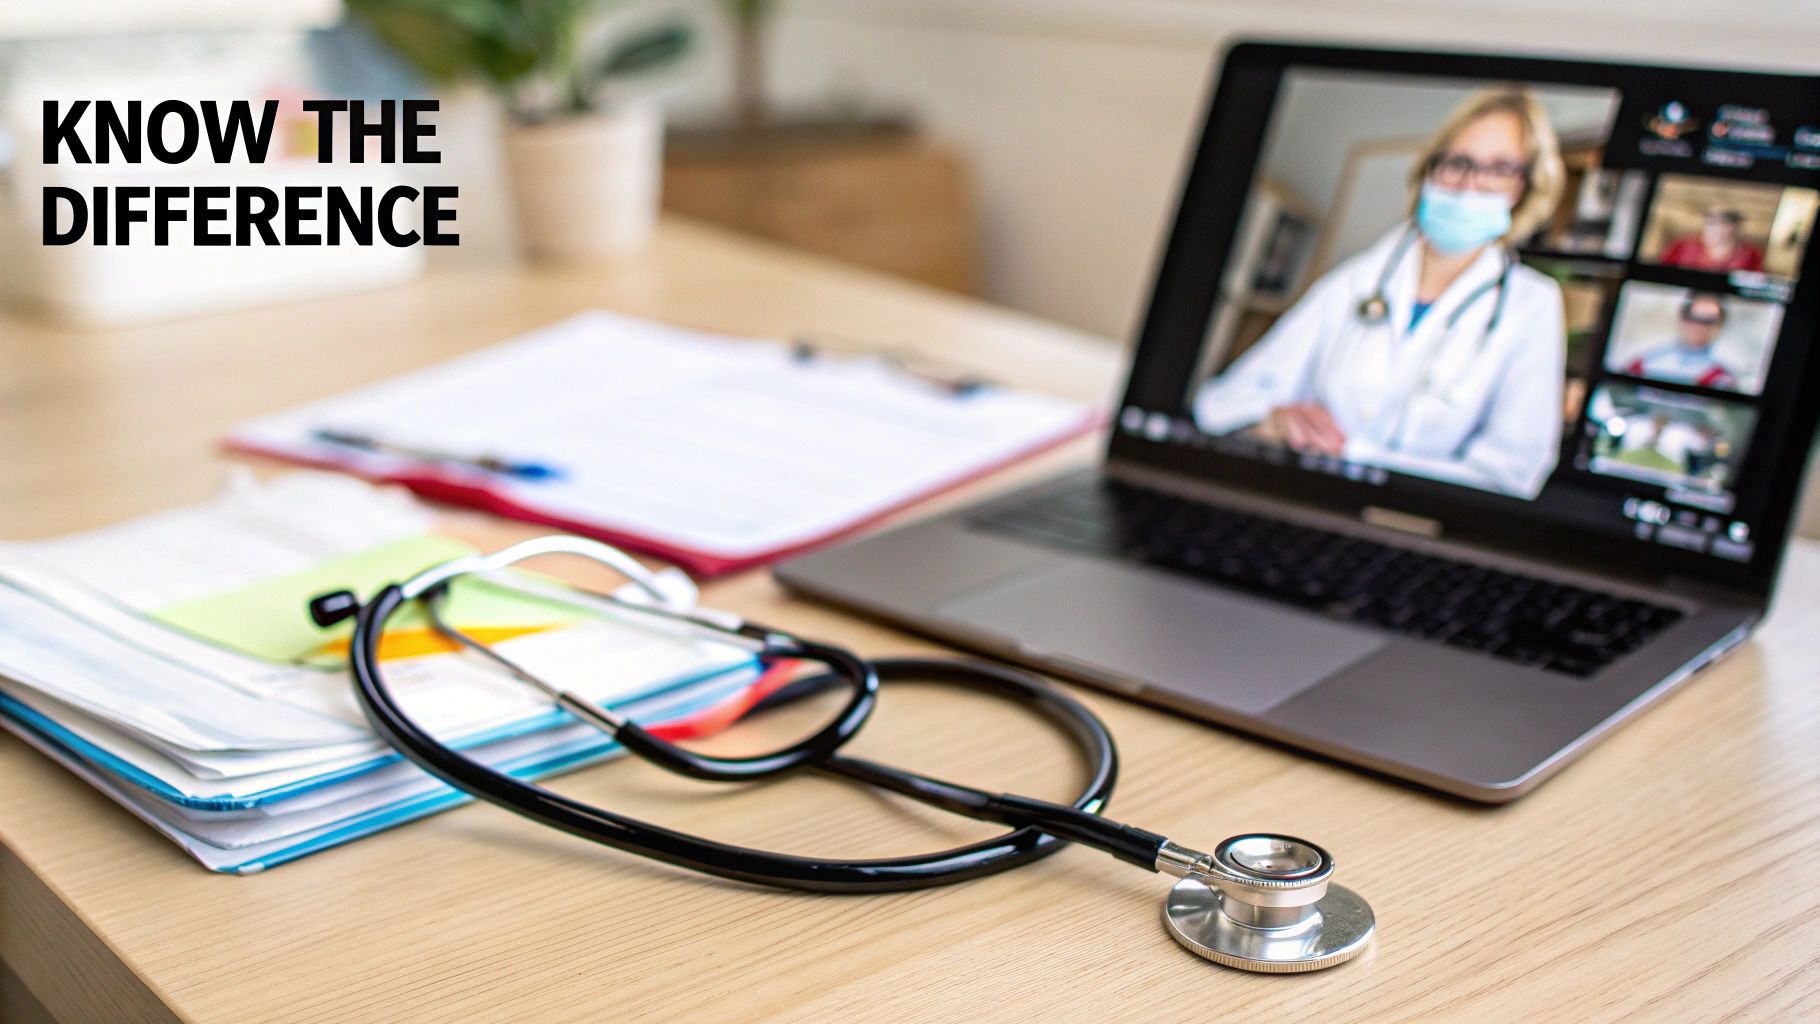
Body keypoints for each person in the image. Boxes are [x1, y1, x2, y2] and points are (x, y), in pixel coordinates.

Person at [1193, 88, 1568, 499]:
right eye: (1458, 162)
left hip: (1420, 519)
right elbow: (1221, 402)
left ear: (1524, 188)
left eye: (1499, 169)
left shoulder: (1532, 304)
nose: (1469, 184)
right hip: (1307, 495)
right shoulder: (1358, 278)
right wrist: (1273, 419)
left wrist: (1355, 455)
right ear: (1431, 169)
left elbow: (1512, 473)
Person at [1623, 292, 1739, 391]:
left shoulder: (1722, 378)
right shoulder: (1645, 362)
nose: (1698, 326)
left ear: (1719, 325)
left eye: (1708, 320)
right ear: (1680, 318)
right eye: (1691, 316)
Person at [1659, 207, 1764, 272]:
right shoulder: (1682, 246)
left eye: (1722, 223)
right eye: (1710, 222)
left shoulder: (1751, 254)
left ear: (1735, 227)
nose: (1713, 228)